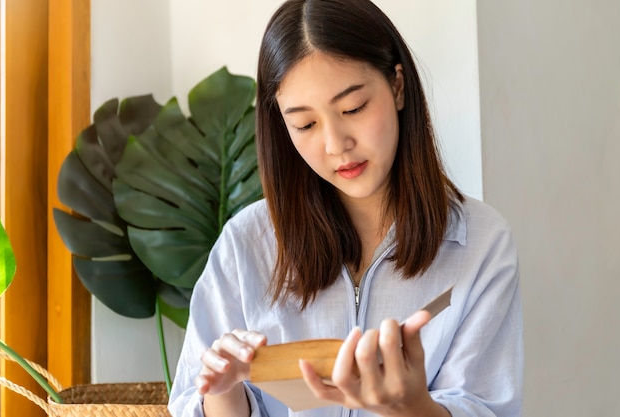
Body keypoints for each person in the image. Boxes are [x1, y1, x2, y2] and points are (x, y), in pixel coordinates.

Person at [169, 0, 523, 416]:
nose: (336, 145)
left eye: (353, 108)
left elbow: (486, 407)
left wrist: (411, 406)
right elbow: (192, 405)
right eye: (305, 124)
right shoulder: (245, 245)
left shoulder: (480, 243)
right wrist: (223, 392)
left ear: (397, 86)